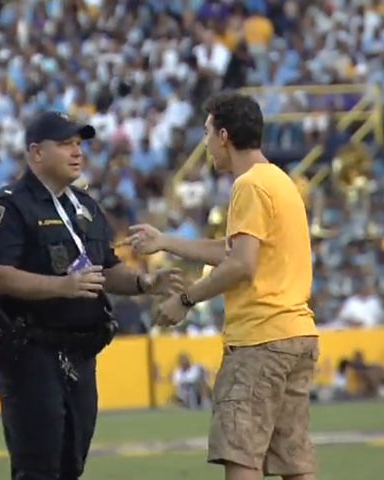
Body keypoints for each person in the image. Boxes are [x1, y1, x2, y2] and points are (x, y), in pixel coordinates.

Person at [0, 111, 182, 479]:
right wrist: (63, 286)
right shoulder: (8, 206)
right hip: (31, 351)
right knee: (38, 466)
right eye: (65, 144)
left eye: (79, 144)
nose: (77, 152)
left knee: (72, 463)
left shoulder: (84, 207)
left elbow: (105, 268)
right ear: (36, 153)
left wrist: (144, 284)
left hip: (80, 353)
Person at [127, 92, 320, 480]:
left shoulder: (247, 185)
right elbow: (233, 250)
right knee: (294, 462)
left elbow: (242, 266)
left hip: (259, 340)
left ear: (225, 136)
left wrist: (185, 299)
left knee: (242, 457)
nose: (206, 142)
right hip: (295, 335)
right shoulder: (279, 181)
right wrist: (166, 241)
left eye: (207, 133)